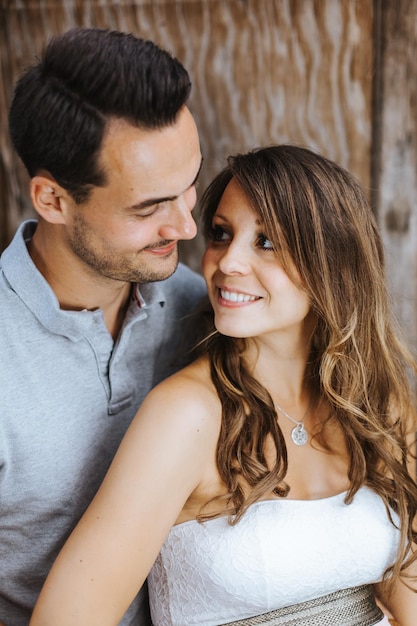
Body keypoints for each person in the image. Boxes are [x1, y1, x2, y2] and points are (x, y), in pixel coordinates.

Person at [30, 145, 417, 626]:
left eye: (267, 242)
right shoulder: (186, 416)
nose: (226, 261)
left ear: (333, 267)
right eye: (221, 234)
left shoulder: (379, 407)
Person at [0, 27, 206, 626]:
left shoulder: (206, 312)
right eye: (149, 208)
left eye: (188, 185)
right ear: (54, 200)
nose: (187, 227)